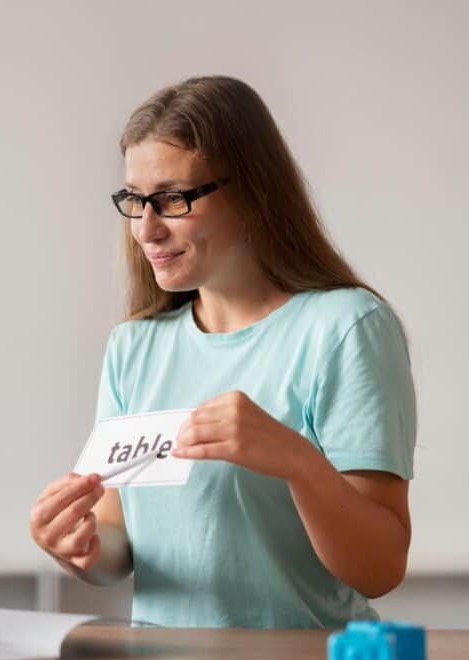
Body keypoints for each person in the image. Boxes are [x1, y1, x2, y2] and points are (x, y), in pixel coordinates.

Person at [29, 76, 416, 628]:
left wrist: (296, 461)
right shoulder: (133, 347)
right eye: (135, 201)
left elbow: (380, 568)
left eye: (170, 198)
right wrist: (80, 546)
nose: (146, 229)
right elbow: (119, 540)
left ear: (252, 191)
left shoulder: (346, 328)